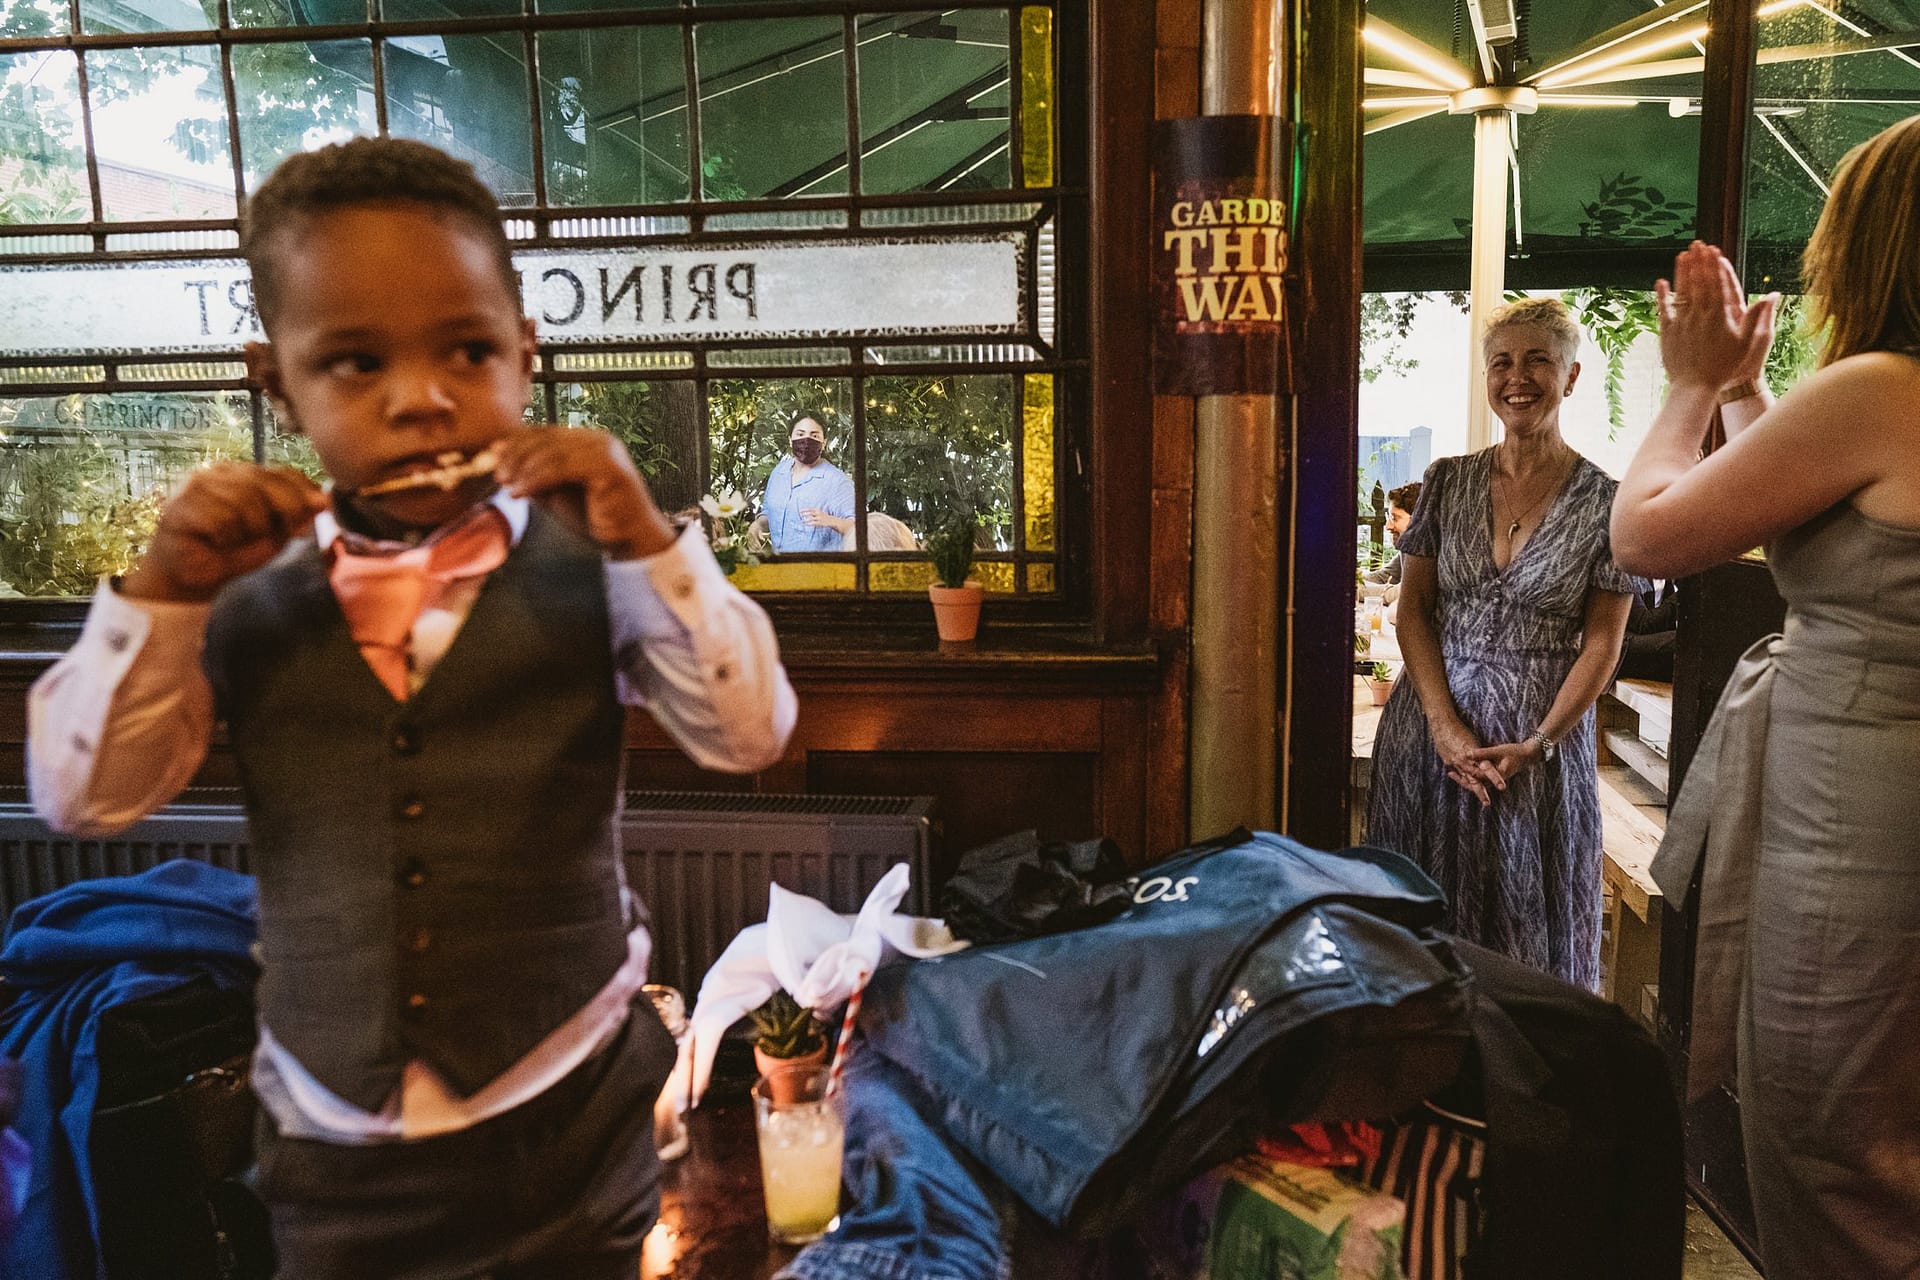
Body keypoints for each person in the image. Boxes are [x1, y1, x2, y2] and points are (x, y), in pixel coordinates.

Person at [24, 137, 797, 1280]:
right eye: (353, 361)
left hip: (577, 1115)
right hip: (335, 1148)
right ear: (273, 382)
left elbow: (750, 732)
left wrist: (649, 540)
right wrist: (160, 593)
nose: (423, 396)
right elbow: (81, 795)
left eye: (469, 349)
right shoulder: (231, 592)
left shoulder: (598, 564)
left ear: (526, 357)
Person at [1612, 123, 1920, 1278]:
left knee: (1834, 1145)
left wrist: (1688, 385)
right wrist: (1745, 392)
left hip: (1858, 832)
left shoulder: (1883, 388)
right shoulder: (1876, 409)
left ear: (1874, 242)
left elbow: (1649, 531)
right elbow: (1805, 515)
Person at [1366, 298, 1641, 992]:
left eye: (1538, 360)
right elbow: (1414, 612)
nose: (1517, 378)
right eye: (1502, 362)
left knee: (1524, 944)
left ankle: (1525, 1087)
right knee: (1421, 935)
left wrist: (1541, 745)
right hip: (1428, 742)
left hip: (1535, 759)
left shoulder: (1610, 502)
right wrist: (1443, 727)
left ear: (1571, 376)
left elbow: (1603, 646)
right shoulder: (1447, 482)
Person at [762, 416, 855, 552]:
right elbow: (769, 511)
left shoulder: (837, 481)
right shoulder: (779, 472)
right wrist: (758, 525)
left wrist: (831, 521)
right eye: (800, 434)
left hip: (821, 568)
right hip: (780, 566)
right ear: (790, 439)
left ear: (824, 443)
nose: (806, 441)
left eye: (814, 435)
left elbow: (859, 528)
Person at [1363, 480, 1422, 588]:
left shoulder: (1426, 554)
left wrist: (1353, 588)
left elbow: (1400, 593)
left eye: (1395, 518)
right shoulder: (1408, 548)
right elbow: (1382, 577)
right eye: (1389, 517)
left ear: (1418, 520)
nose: (1388, 526)